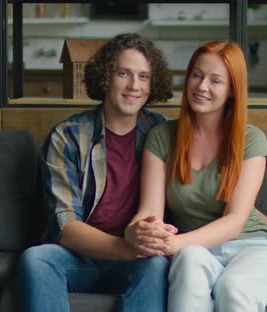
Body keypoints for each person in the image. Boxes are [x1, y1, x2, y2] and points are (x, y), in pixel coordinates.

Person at [125, 41, 267, 312]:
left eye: (216, 81)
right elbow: (149, 211)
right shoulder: (162, 137)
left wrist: (176, 242)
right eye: (197, 75)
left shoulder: (250, 140)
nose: (202, 86)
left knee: (232, 287)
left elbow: (234, 220)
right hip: (199, 249)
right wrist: (138, 231)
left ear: (232, 90)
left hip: (255, 248)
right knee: (187, 259)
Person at [18, 33, 176, 312]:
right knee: (36, 259)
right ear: (105, 78)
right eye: (123, 73)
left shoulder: (162, 133)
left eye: (143, 76)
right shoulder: (67, 137)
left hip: (139, 261)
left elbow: (209, 188)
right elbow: (65, 227)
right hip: (80, 257)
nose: (133, 86)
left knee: (155, 266)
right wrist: (128, 245)